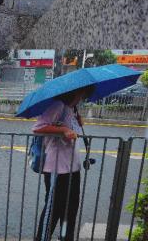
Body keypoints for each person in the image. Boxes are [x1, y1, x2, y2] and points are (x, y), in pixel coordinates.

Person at [32, 85, 94, 241]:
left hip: (73, 168)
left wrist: (78, 123)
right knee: (53, 209)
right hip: (57, 169)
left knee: (71, 207)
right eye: (83, 93)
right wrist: (63, 131)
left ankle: (66, 237)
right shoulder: (58, 105)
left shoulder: (72, 109)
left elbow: (72, 132)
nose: (83, 97)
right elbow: (38, 128)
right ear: (75, 91)